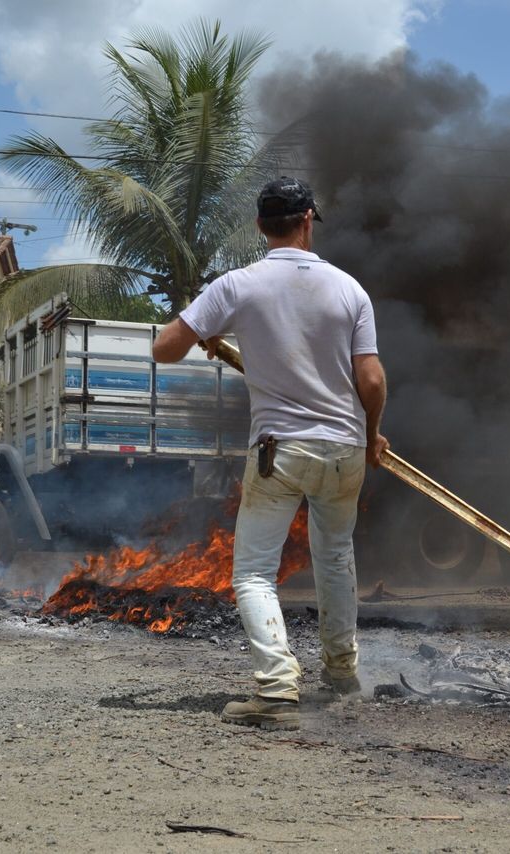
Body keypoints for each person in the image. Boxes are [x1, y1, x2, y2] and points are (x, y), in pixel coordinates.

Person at [152, 176, 388, 731]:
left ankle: (278, 689)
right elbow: (372, 379)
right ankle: (341, 676)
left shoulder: (237, 285)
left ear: (260, 226)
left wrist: (205, 327)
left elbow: (165, 348)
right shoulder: (350, 290)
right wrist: (372, 433)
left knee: (255, 573)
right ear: (309, 219)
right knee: (336, 557)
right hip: (345, 446)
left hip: (278, 450)